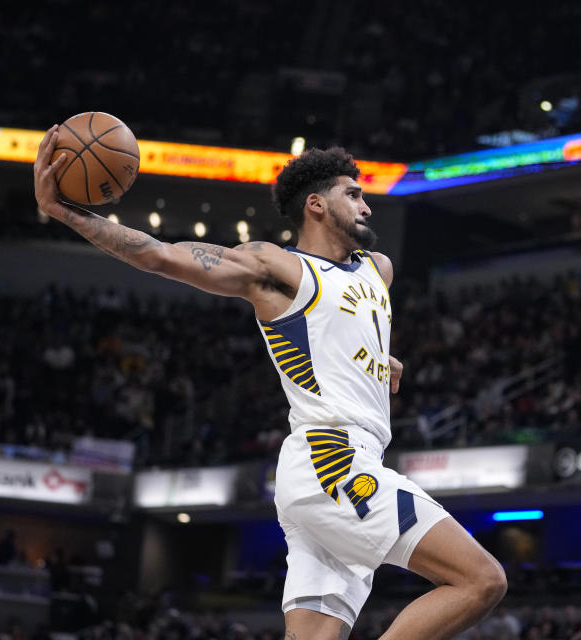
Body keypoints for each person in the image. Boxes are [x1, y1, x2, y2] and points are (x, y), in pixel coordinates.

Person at [33, 131, 507, 640]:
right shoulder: (279, 268)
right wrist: (66, 212)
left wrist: (379, 357)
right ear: (316, 204)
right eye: (355, 194)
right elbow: (160, 256)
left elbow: (341, 327)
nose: (367, 205)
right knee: (481, 579)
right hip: (334, 460)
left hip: (334, 469)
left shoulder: (378, 272)